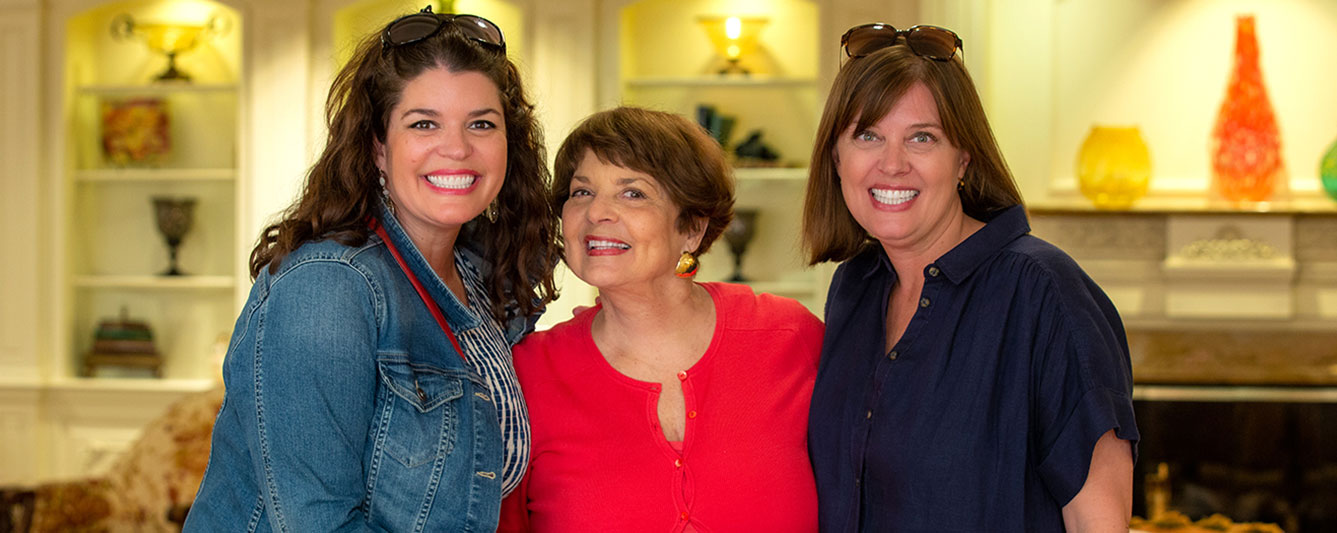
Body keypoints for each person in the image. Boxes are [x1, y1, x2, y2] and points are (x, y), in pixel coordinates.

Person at [184, 6, 560, 531]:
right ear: (379, 148)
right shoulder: (329, 286)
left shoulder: (484, 279)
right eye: (424, 123)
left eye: (481, 124)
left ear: (508, 144)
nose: (457, 148)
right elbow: (317, 523)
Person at [802, 23, 1139, 532]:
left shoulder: (1045, 292)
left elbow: (1100, 524)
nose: (892, 164)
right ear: (836, 157)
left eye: (922, 138)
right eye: (867, 135)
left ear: (963, 159)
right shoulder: (854, 287)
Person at [498, 106, 824, 532]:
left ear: (692, 228)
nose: (597, 213)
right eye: (581, 192)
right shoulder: (528, 372)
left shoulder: (790, 338)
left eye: (632, 193)